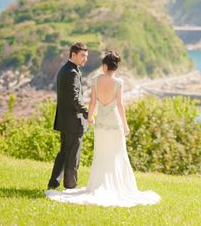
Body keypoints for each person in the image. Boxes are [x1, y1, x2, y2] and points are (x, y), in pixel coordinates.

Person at [45, 50, 161, 207]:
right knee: (117, 154)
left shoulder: (96, 80)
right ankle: (119, 186)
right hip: (114, 122)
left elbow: (92, 102)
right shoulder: (118, 82)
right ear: (115, 67)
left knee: (101, 154)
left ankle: (97, 184)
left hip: (100, 123)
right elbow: (120, 105)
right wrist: (125, 125)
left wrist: (90, 116)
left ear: (105, 66)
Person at [47, 42, 89, 190]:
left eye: (86, 56)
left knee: (64, 153)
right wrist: (86, 113)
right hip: (73, 121)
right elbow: (75, 98)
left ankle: (54, 182)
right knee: (73, 156)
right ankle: (70, 186)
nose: (85, 59)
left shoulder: (64, 70)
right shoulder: (72, 73)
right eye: (82, 55)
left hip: (65, 121)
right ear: (73, 55)